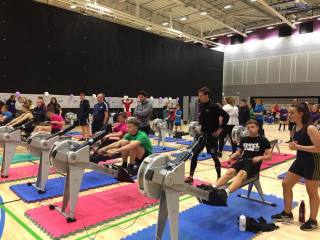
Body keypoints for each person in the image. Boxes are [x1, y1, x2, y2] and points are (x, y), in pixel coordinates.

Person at [199, 119, 272, 206]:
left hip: (254, 164)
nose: (250, 129)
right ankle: (212, 187)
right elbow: (239, 151)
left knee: (241, 174)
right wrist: (235, 154)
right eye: (248, 127)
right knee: (230, 172)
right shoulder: (244, 139)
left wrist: (260, 157)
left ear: (258, 128)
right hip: (243, 160)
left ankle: (225, 193)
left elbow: (269, 156)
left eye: (252, 127)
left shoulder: (263, 140)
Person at [272, 102, 320, 231]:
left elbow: (319, 148)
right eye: (289, 112)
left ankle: (313, 220)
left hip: (313, 162)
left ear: (301, 114)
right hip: (300, 160)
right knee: (286, 183)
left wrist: (298, 146)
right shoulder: (294, 128)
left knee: (312, 192)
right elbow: (300, 143)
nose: (289, 115)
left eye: (292, 113)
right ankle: (287, 213)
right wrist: (295, 145)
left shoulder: (310, 128)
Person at [185, 87, 229, 184]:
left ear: (206, 95)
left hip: (212, 137)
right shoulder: (201, 105)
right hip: (202, 136)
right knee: (194, 155)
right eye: (199, 95)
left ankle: (219, 178)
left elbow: (226, 116)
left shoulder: (214, 106)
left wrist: (220, 129)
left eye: (201, 95)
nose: (199, 97)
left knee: (214, 157)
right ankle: (190, 176)